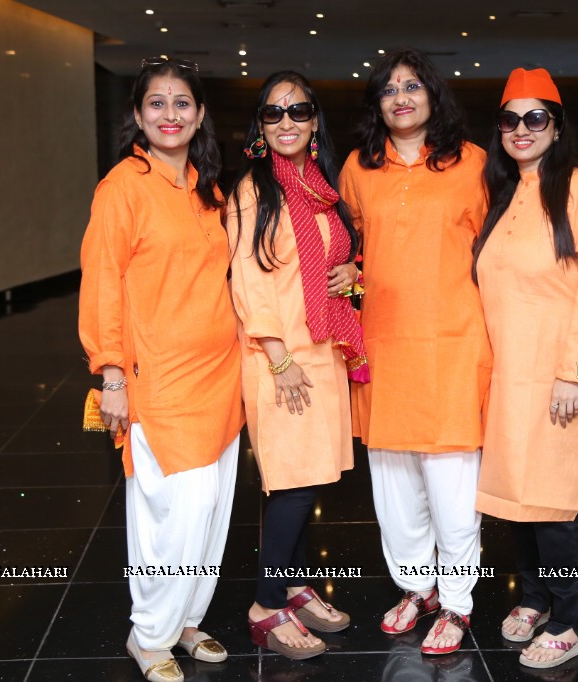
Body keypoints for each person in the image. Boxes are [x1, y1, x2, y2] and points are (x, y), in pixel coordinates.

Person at [78, 57, 243, 682]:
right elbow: (102, 286)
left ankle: (187, 622)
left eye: (182, 103)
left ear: (199, 114)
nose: (169, 114)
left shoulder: (208, 187)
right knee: (170, 514)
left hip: (221, 374)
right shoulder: (123, 187)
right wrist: (111, 372)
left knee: (211, 511)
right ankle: (149, 636)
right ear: (139, 114)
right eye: (157, 103)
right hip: (162, 378)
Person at [339, 48, 491, 656]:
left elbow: (500, 247)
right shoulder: (358, 167)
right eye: (389, 88)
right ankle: (414, 587)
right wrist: (347, 273)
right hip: (382, 345)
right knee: (393, 483)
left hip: (453, 342)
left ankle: (456, 603)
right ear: (378, 102)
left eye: (413, 86)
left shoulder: (473, 162)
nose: (401, 97)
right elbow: (347, 243)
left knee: (452, 485)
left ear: (433, 95)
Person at [472, 67, 578, 669]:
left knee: (553, 503)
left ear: (557, 128)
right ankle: (533, 598)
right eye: (510, 119)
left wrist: (574, 371)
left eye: (536, 118)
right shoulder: (502, 195)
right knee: (514, 497)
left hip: (557, 374)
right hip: (505, 375)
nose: (522, 129)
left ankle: (570, 621)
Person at [228, 71, 367, 660]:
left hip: (324, 349)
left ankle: (294, 585)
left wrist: (354, 271)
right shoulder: (252, 191)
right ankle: (265, 605)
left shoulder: (320, 186)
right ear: (260, 126)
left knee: (309, 480)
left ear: (314, 122)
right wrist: (280, 359)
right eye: (273, 113)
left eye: (298, 111)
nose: (286, 122)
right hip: (279, 355)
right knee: (290, 483)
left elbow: (342, 252)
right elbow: (248, 280)